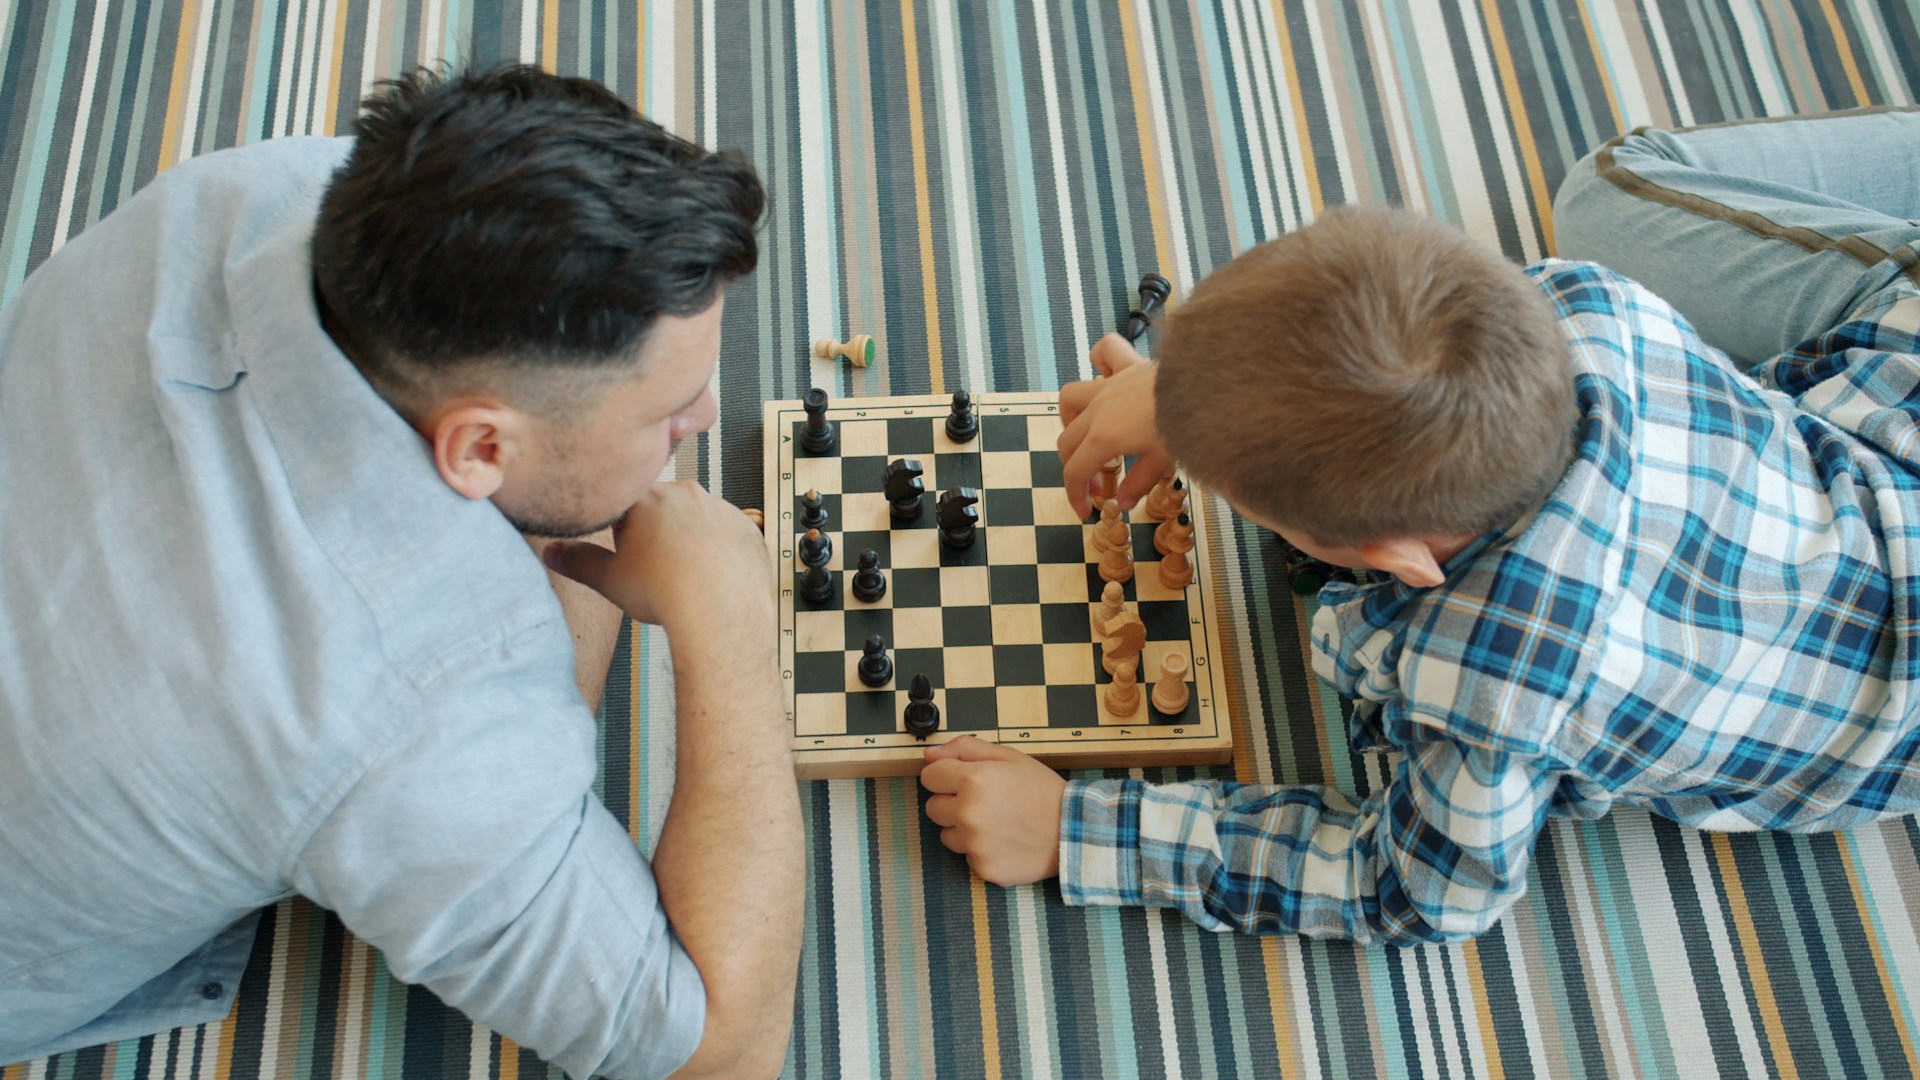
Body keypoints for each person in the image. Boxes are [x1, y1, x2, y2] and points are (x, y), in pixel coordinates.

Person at [920, 108, 1920, 944]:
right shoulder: (1579, 302)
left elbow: (1409, 891)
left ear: (1394, 560)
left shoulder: (1491, 686)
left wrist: (1079, 830)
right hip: (1887, 414)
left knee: (1612, 196)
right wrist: (1191, 394)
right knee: (1606, 200)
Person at [0, 66, 801, 1078]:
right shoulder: (397, 717)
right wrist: (729, 625)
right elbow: (724, 1050)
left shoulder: (261, 190)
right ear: (479, 447)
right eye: (668, 412)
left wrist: (574, 490)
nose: (703, 420)